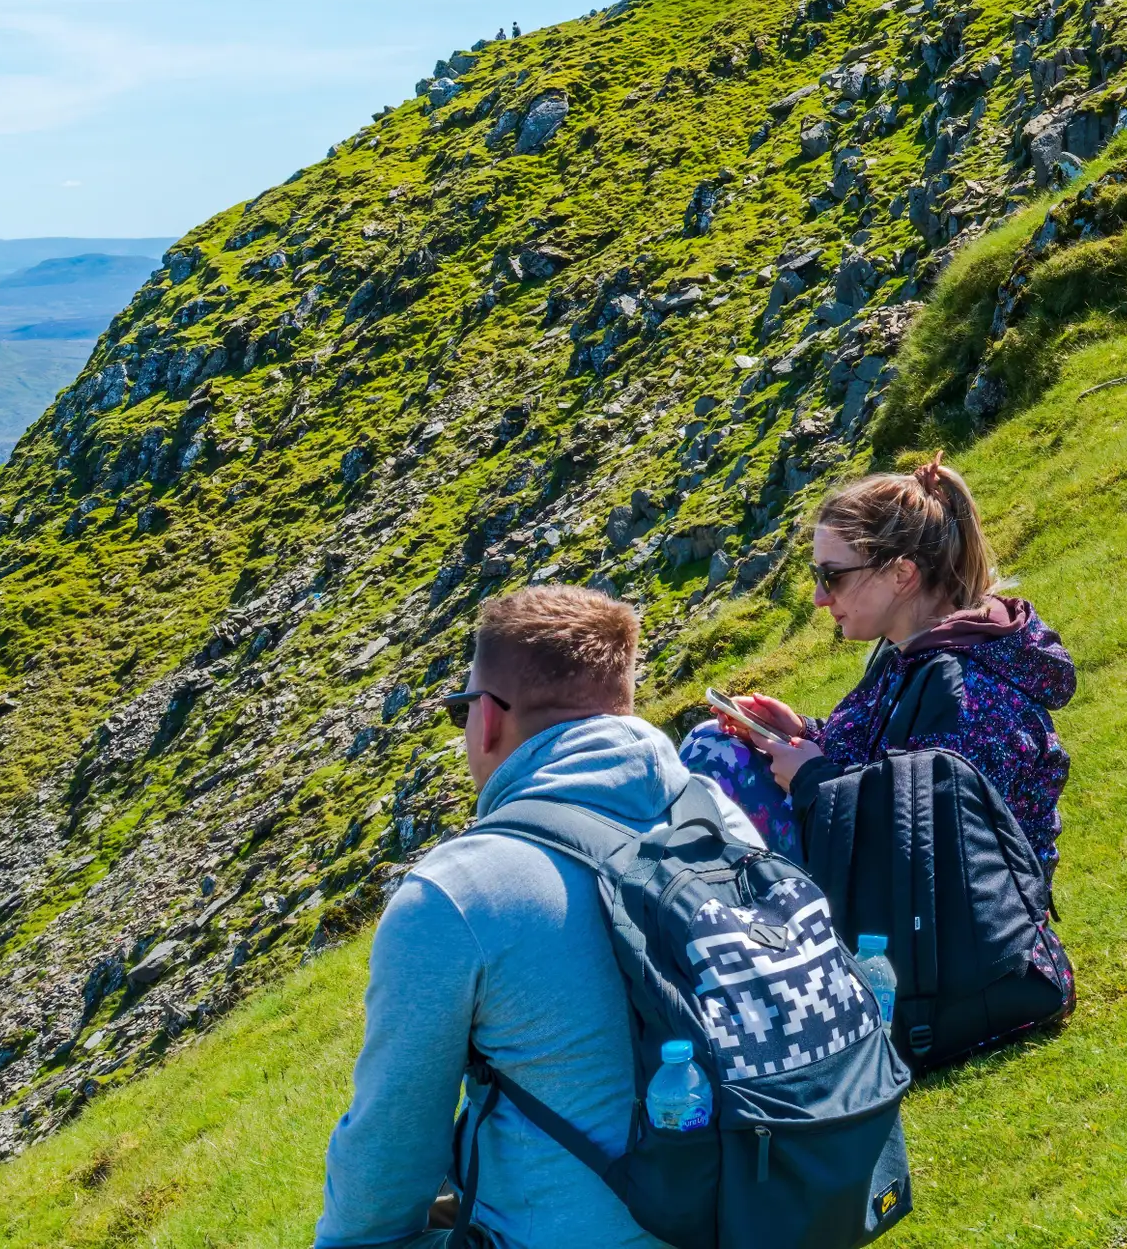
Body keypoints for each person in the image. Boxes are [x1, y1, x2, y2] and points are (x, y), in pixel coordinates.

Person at [318, 587, 764, 1249]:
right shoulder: (719, 819)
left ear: (489, 719)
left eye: (460, 709)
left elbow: (385, 1168)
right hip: (758, 1214)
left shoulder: (459, 891)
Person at [682, 459, 1078, 899]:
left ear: (902, 574)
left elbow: (929, 855)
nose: (818, 598)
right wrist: (801, 733)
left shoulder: (965, 691)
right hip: (902, 902)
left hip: (941, 939)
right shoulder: (913, 653)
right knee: (716, 746)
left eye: (832, 576)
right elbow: (888, 766)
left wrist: (811, 775)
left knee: (714, 758)